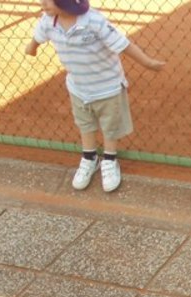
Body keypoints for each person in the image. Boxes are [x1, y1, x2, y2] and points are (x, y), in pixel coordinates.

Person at [24, 0, 165, 193]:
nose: (43, 3)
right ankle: (89, 157)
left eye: (49, 0)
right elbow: (38, 36)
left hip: (107, 88)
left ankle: (110, 159)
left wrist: (148, 63)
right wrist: (32, 47)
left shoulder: (93, 21)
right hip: (78, 87)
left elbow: (123, 44)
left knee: (110, 126)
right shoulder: (48, 20)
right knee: (85, 124)